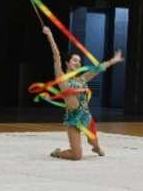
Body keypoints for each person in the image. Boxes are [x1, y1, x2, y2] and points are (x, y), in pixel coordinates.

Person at [41, 25, 122, 160]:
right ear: (67, 63)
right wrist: (50, 36)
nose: (78, 63)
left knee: (93, 142)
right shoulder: (62, 79)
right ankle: (57, 152)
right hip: (73, 119)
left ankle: (96, 147)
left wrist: (112, 61)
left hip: (86, 117)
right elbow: (56, 55)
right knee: (76, 156)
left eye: (79, 61)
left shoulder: (82, 79)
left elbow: (98, 68)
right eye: (74, 60)